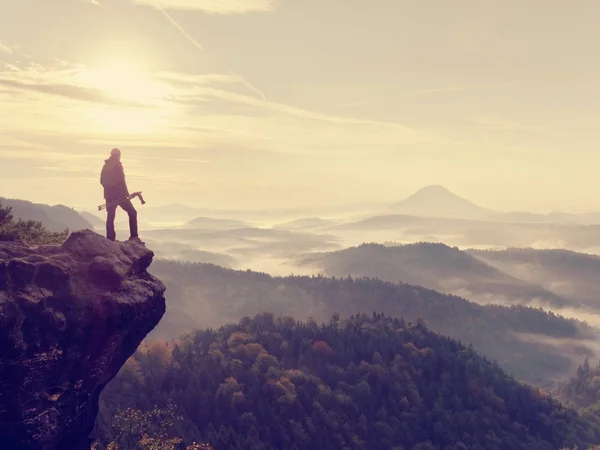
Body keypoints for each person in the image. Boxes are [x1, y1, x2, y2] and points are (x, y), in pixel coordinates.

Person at [100, 148, 142, 243]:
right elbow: (121, 182)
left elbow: (102, 181)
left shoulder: (105, 166)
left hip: (108, 195)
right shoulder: (117, 166)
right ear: (119, 155)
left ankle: (110, 239)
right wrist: (126, 194)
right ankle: (134, 236)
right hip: (120, 196)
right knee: (132, 212)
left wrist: (108, 191)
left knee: (110, 216)